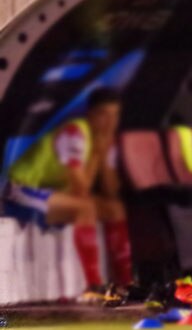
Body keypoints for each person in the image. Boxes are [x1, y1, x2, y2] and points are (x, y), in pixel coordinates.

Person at [2, 88, 132, 304]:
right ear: (90, 114)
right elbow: (81, 188)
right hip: (20, 187)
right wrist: (98, 153)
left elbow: (110, 190)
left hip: (51, 191)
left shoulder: (104, 138)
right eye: (104, 115)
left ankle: (124, 285)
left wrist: (104, 153)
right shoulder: (75, 133)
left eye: (115, 115)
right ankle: (93, 286)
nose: (110, 122)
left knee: (114, 208)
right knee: (85, 207)